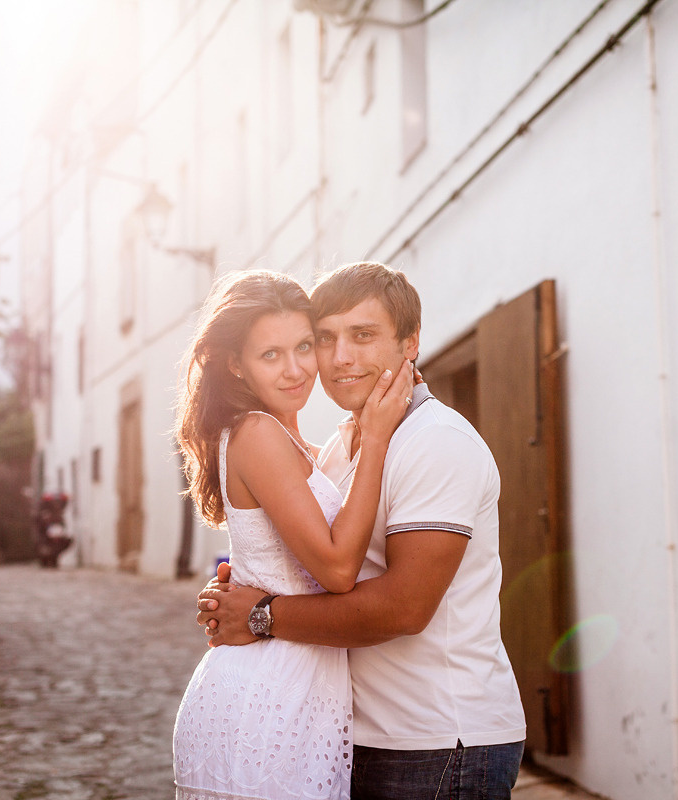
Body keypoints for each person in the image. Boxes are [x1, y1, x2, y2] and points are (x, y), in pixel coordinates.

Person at [197, 262, 527, 800]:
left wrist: (259, 615)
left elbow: (403, 608)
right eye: (324, 338)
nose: (340, 357)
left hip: (439, 740)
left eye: (364, 335)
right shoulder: (337, 447)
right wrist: (239, 587)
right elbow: (303, 562)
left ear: (411, 343)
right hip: (354, 732)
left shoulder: (435, 441)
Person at [171, 270, 414, 800]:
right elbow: (335, 570)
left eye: (304, 346)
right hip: (267, 694)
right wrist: (375, 439)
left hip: (298, 684)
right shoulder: (257, 433)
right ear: (236, 364)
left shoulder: (296, 444)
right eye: (271, 355)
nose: (297, 369)